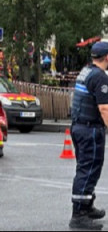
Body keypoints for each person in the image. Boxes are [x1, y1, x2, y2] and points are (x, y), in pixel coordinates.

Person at [70, 42, 108, 230]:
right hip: (90, 129)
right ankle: (78, 215)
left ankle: (86, 205)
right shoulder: (100, 77)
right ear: (107, 57)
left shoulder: (85, 71)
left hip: (79, 126)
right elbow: (104, 109)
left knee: (86, 168)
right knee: (88, 170)